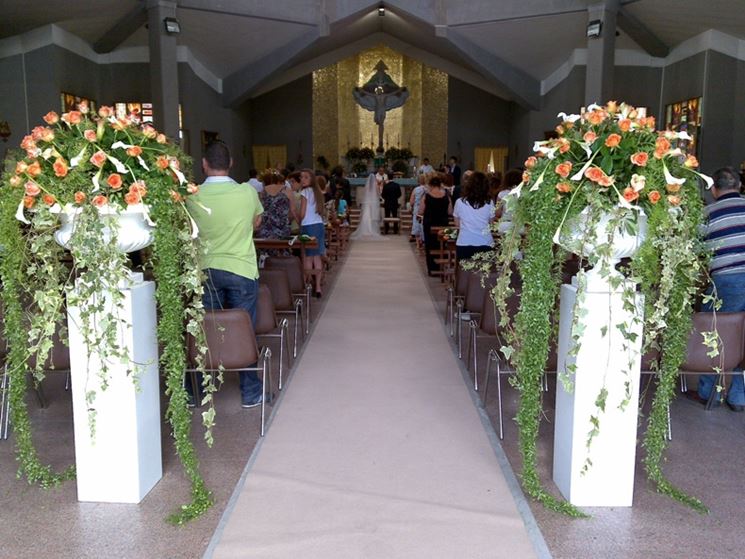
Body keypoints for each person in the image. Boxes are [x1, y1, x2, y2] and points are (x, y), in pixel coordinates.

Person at [186, 141, 265, 409]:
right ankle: (251, 393)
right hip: (241, 268)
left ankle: (193, 391)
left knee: (202, 330)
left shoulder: (192, 195)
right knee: (245, 330)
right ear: (231, 163)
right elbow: (256, 223)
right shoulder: (246, 192)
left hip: (205, 268)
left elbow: (186, 229)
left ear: (204, 164)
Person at [696, 167, 745, 412]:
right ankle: (738, 396)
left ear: (713, 189)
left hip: (728, 280)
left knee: (714, 331)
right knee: (742, 337)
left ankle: (708, 392)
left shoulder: (708, 213)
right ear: (738, 186)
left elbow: (696, 251)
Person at [452, 171, 496, 262]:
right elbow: (491, 223)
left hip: (465, 242)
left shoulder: (459, 202)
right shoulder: (490, 203)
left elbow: (457, 224)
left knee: (465, 274)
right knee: (484, 274)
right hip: (485, 242)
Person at [299, 169, 326, 297]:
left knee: (309, 257)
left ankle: (309, 284)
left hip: (308, 226)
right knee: (317, 256)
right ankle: (318, 287)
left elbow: (303, 213)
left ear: (311, 179)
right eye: (301, 177)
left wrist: (298, 218)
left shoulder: (304, 192)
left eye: (306, 177)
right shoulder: (318, 192)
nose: (302, 179)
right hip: (319, 225)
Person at [257, 170, 297, 256]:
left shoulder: (263, 192)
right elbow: (292, 210)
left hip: (266, 227)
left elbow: (259, 210)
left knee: (266, 252)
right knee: (282, 250)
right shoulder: (287, 190)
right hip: (282, 227)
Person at [419, 175, 452, 275]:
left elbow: (421, 210)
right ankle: (442, 267)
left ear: (431, 185)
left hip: (429, 224)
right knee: (442, 245)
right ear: (439, 184)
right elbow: (450, 211)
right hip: (443, 224)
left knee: (430, 245)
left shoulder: (426, 196)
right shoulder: (446, 196)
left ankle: (432, 269)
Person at [350, 173, 384, 240]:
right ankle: (371, 230)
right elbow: (378, 194)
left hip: (367, 203)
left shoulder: (367, 186)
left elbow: (365, 194)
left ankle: (365, 230)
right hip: (373, 202)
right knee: (372, 216)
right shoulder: (376, 185)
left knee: (366, 216)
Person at [409, 174, 428, 247]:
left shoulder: (416, 189)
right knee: (423, 225)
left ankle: (417, 243)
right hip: (425, 208)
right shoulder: (428, 189)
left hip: (417, 208)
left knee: (417, 224)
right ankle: (423, 240)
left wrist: (411, 206)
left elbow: (411, 202)